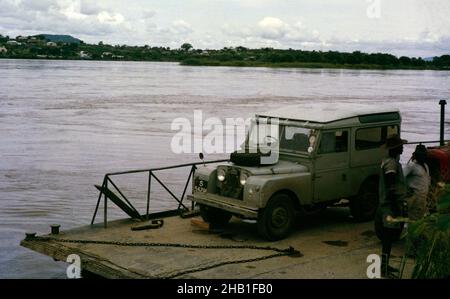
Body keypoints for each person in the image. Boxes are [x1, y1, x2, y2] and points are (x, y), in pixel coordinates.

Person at [376, 134, 408, 277]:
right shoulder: (391, 164)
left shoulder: (389, 162)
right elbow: (390, 186)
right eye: (401, 146)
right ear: (396, 148)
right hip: (389, 206)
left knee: (388, 238)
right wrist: (395, 205)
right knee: (388, 238)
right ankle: (384, 268)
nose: (402, 148)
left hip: (389, 204)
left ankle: (385, 265)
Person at [403, 144, 431, 222]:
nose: (423, 157)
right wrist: (407, 192)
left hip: (423, 198)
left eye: (424, 155)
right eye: (421, 155)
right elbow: (402, 178)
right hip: (415, 198)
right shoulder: (411, 166)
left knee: (420, 221)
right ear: (416, 155)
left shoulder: (425, 166)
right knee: (414, 220)